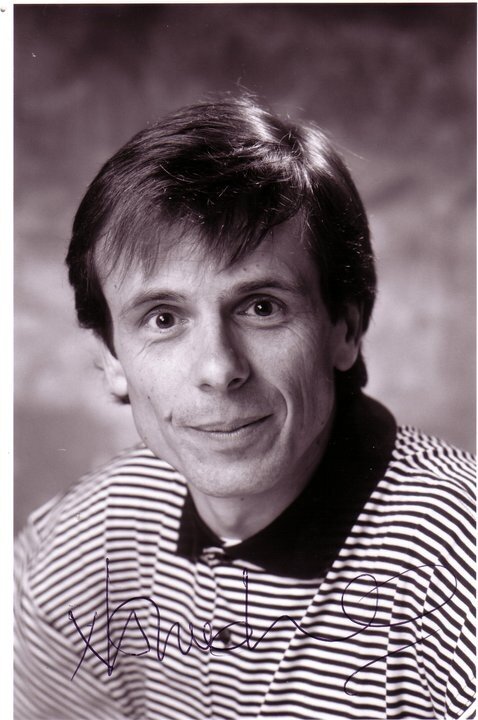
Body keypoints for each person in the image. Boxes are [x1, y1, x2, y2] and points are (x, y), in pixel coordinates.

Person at [14, 94, 475, 720]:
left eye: (261, 307)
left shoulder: (457, 569)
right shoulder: (82, 542)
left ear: (343, 328)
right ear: (111, 358)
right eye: (163, 318)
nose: (219, 369)